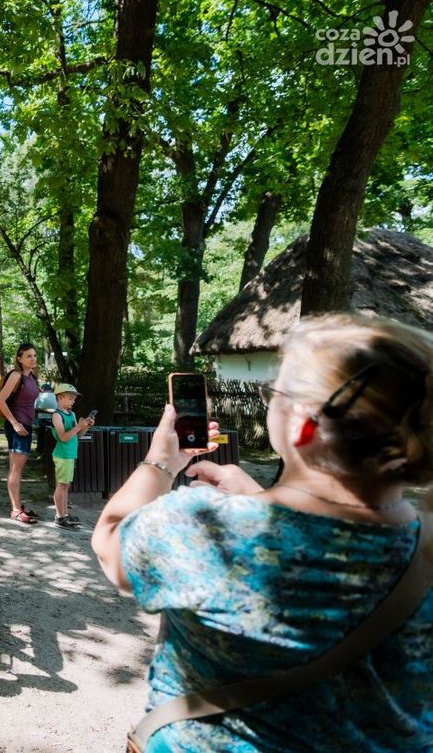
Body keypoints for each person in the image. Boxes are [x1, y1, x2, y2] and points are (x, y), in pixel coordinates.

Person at [91, 313, 433, 751]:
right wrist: (256, 497)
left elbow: (110, 545)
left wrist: (162, 461)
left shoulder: (204, 527)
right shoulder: (426, 548)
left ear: (302, 422)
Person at [0, 343, 42, 524]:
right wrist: (15, 423)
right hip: (17, 426)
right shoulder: (16, 376)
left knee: (18, 469)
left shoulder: (32, 377)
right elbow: (1, 400)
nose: (32, 359)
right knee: (15, 469)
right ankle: (15, 510)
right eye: (28, 356)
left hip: (27, 425)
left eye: (34, 355)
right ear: (19, 358)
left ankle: (17, 505)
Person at [48, 383, 92, 529]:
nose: (73, 401)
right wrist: (78, 426)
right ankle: (59, 517)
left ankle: (64, 514)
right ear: (60, 397)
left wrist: (85, 427)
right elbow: (63, 437)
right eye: (71, 398)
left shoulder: (71, 414)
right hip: (62, 455)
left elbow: (77, 435)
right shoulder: (56, 415)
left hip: (70, 454)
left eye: (74, 399)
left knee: (66, 485)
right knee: (61, 485)